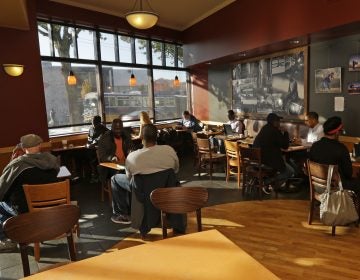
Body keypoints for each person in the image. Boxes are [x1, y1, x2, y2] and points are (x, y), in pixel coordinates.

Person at [0, 134, 59, 251]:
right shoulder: (53, 161)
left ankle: (5, 239)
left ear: (23, 147)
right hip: (52, 208)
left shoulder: (17, 165)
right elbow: (62, 178)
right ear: (39, 145)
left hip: (26, 212)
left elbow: (2, 188)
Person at [110, 124, 179, 224]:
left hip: (142, 192)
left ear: (141, 137)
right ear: (157, 136)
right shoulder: (169, 150)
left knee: (115, 179)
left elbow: (130, 178)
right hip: (165, 188)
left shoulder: (132, 157)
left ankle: (122, 214)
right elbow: (175, 170)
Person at [309, 116, 360, 194]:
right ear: (336, 132)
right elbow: (348, 173)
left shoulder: (315, 146)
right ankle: (350, 205)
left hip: (317, 186)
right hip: (335, 188)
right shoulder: (341, 149)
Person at [253, 113, 295, 194]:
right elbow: (285, 146)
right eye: (278, 121)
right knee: (290, 171)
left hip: (259, 159)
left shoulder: (264, 128)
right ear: (274, 122)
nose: (280, 123)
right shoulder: (275, 131)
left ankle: (270, 185)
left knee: (283, 163)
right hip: (269, 161)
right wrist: (286, 132)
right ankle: (268, 182)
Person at [97, 118, 135, 184]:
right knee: (120, 174)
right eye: (116, 129)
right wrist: (111, 158)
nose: (119, 131)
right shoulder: (104, 138)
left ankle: (132, 190)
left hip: (125, 164)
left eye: (120, 129)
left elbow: (131, 147)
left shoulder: (126, 136)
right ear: (112, 128)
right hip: (111, 167)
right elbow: (102, 156)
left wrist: (131, 151)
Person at [86, 115, 108, 182]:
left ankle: (97, 176)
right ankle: (94, 175)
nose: (94, 124)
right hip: (91, 149)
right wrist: (88, 145)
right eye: (92, 122)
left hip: (101, 150)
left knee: (93, 158)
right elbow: (89, 140)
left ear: (99, 122)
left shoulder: (104, 129)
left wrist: (94, 145)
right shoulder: (91, 129)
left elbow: (103, 141)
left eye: (95, 123)